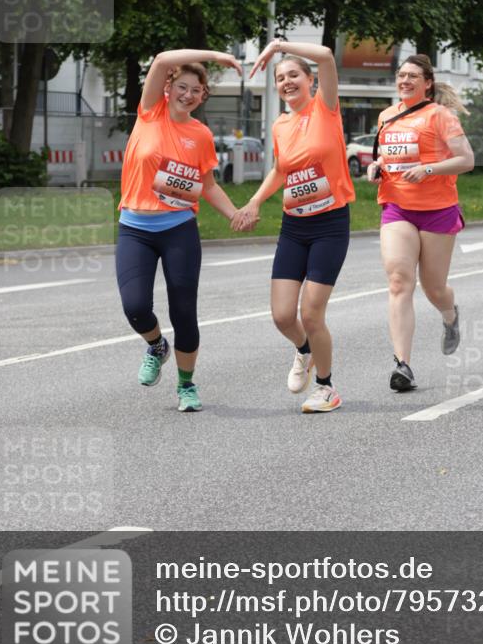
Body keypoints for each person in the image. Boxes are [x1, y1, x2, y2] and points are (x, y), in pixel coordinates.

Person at [116, 48, 243, 412]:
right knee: (135, 307)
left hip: (178, 229)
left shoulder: (200, 135)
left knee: (184, 312)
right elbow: (160, 60)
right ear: (168, 88)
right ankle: (156, 345)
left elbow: (208, 185)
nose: (188, 95)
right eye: (182, 87)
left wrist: (234, 214)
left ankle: (186, 385)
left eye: (196, 90)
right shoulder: (149, 112)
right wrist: (217, 56)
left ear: (203, 96)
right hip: (135, 228)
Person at [233, 41, 354, 414]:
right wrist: (254, 201)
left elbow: (327, 56)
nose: (287, 82)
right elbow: (280, 170)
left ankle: (326, 387)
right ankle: (305, 350)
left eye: (293, 75)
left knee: (311, 313)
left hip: (330, 223)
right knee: (283, 316)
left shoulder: (326, 109)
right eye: (280, 78)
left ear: (310, 80)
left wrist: (278, 46)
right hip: (294, 226)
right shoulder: (280, 125)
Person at [367, 54, 474, 392]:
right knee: (399, 281)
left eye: (413, 76)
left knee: (433, 287)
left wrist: (429, 169)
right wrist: (376, 167)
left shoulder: (440, 116)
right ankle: (403, 365)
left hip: (437, 208)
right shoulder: (387, 116)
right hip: (397, 206)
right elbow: (386, 156)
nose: (405, 80)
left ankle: (450, 315)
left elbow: (466, 160)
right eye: (401, 75)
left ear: (427, 83)